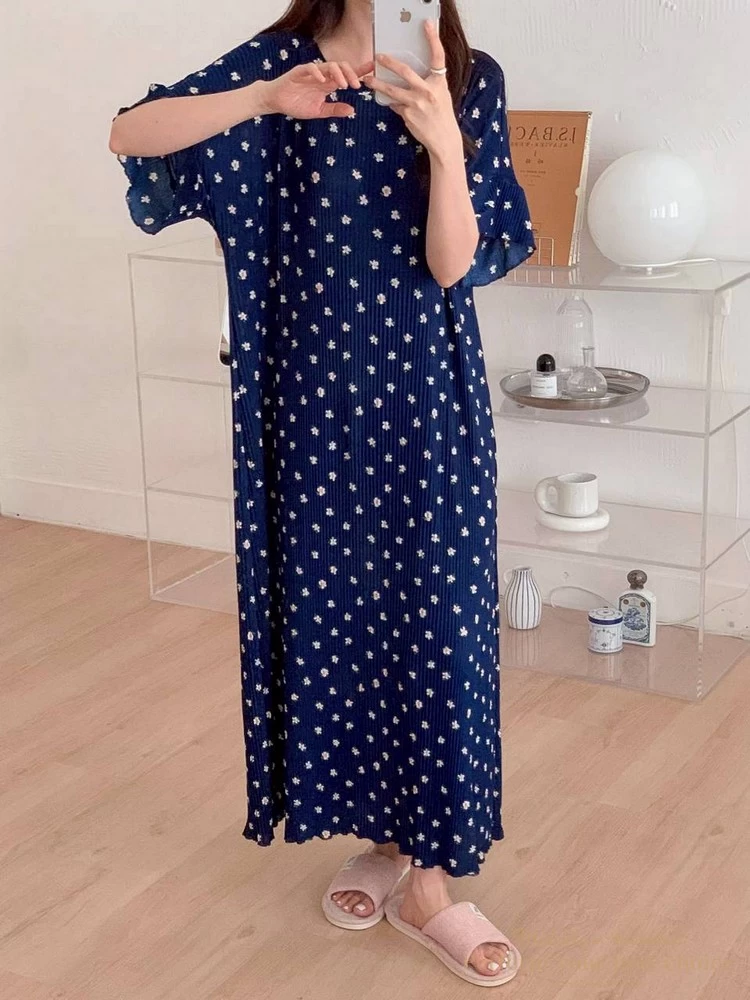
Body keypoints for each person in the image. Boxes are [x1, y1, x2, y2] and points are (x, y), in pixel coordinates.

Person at [110, 0, 534, 986]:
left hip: (425, 405)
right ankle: (386, 841)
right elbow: (132, 133)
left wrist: (443, 143)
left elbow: (455, 263)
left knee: (436, 624)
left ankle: (432, 880)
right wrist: (265, 99)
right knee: (340, 621)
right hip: (306, 406)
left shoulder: (468, 75)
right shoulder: (280, 64)